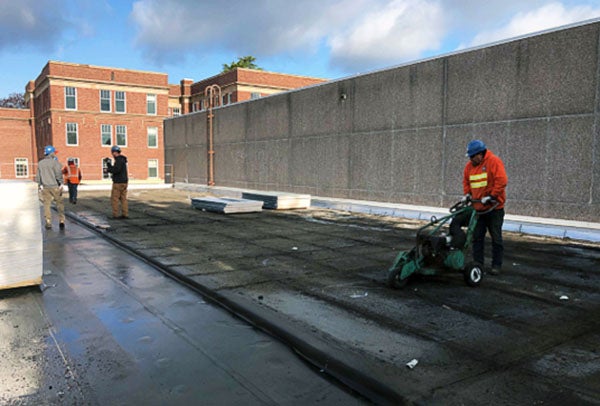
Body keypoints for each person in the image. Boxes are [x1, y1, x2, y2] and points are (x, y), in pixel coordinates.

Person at [461, 139, 508, 275]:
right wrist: (467, 195)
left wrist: (492, 196)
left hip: (494, 208)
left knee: (496, 238)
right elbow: (466, 182)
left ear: (480, 154)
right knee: (477, 237)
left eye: (472, 156)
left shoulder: (493, 161)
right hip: (478, 209)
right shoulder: (469, 167)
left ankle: (496, 265)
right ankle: (478, 265)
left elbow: (502, 180)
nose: (470, 159)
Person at [36, 145, 66, 229]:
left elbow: (38, 176)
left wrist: (39, 185)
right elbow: (58, 174)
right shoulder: (55, 163)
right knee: (59, 203)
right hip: (55, 186)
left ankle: (48, 222)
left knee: (46, 205)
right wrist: (61, 183)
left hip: (45, 187)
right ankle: (61, 220)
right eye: (54, 152)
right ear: (51, 153)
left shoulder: (40, 163)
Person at [105, 145, 129, 219]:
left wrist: (108, 169)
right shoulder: (123, 160)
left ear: (115, 152)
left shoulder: (118, 160)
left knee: (114, 199)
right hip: (124, 182)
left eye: (113, 153)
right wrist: (109, 165)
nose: (112, 155)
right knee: (123, 199)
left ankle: (115, 215)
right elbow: (117, 169)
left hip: (118, 182)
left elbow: (116, 170)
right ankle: (125, 214)